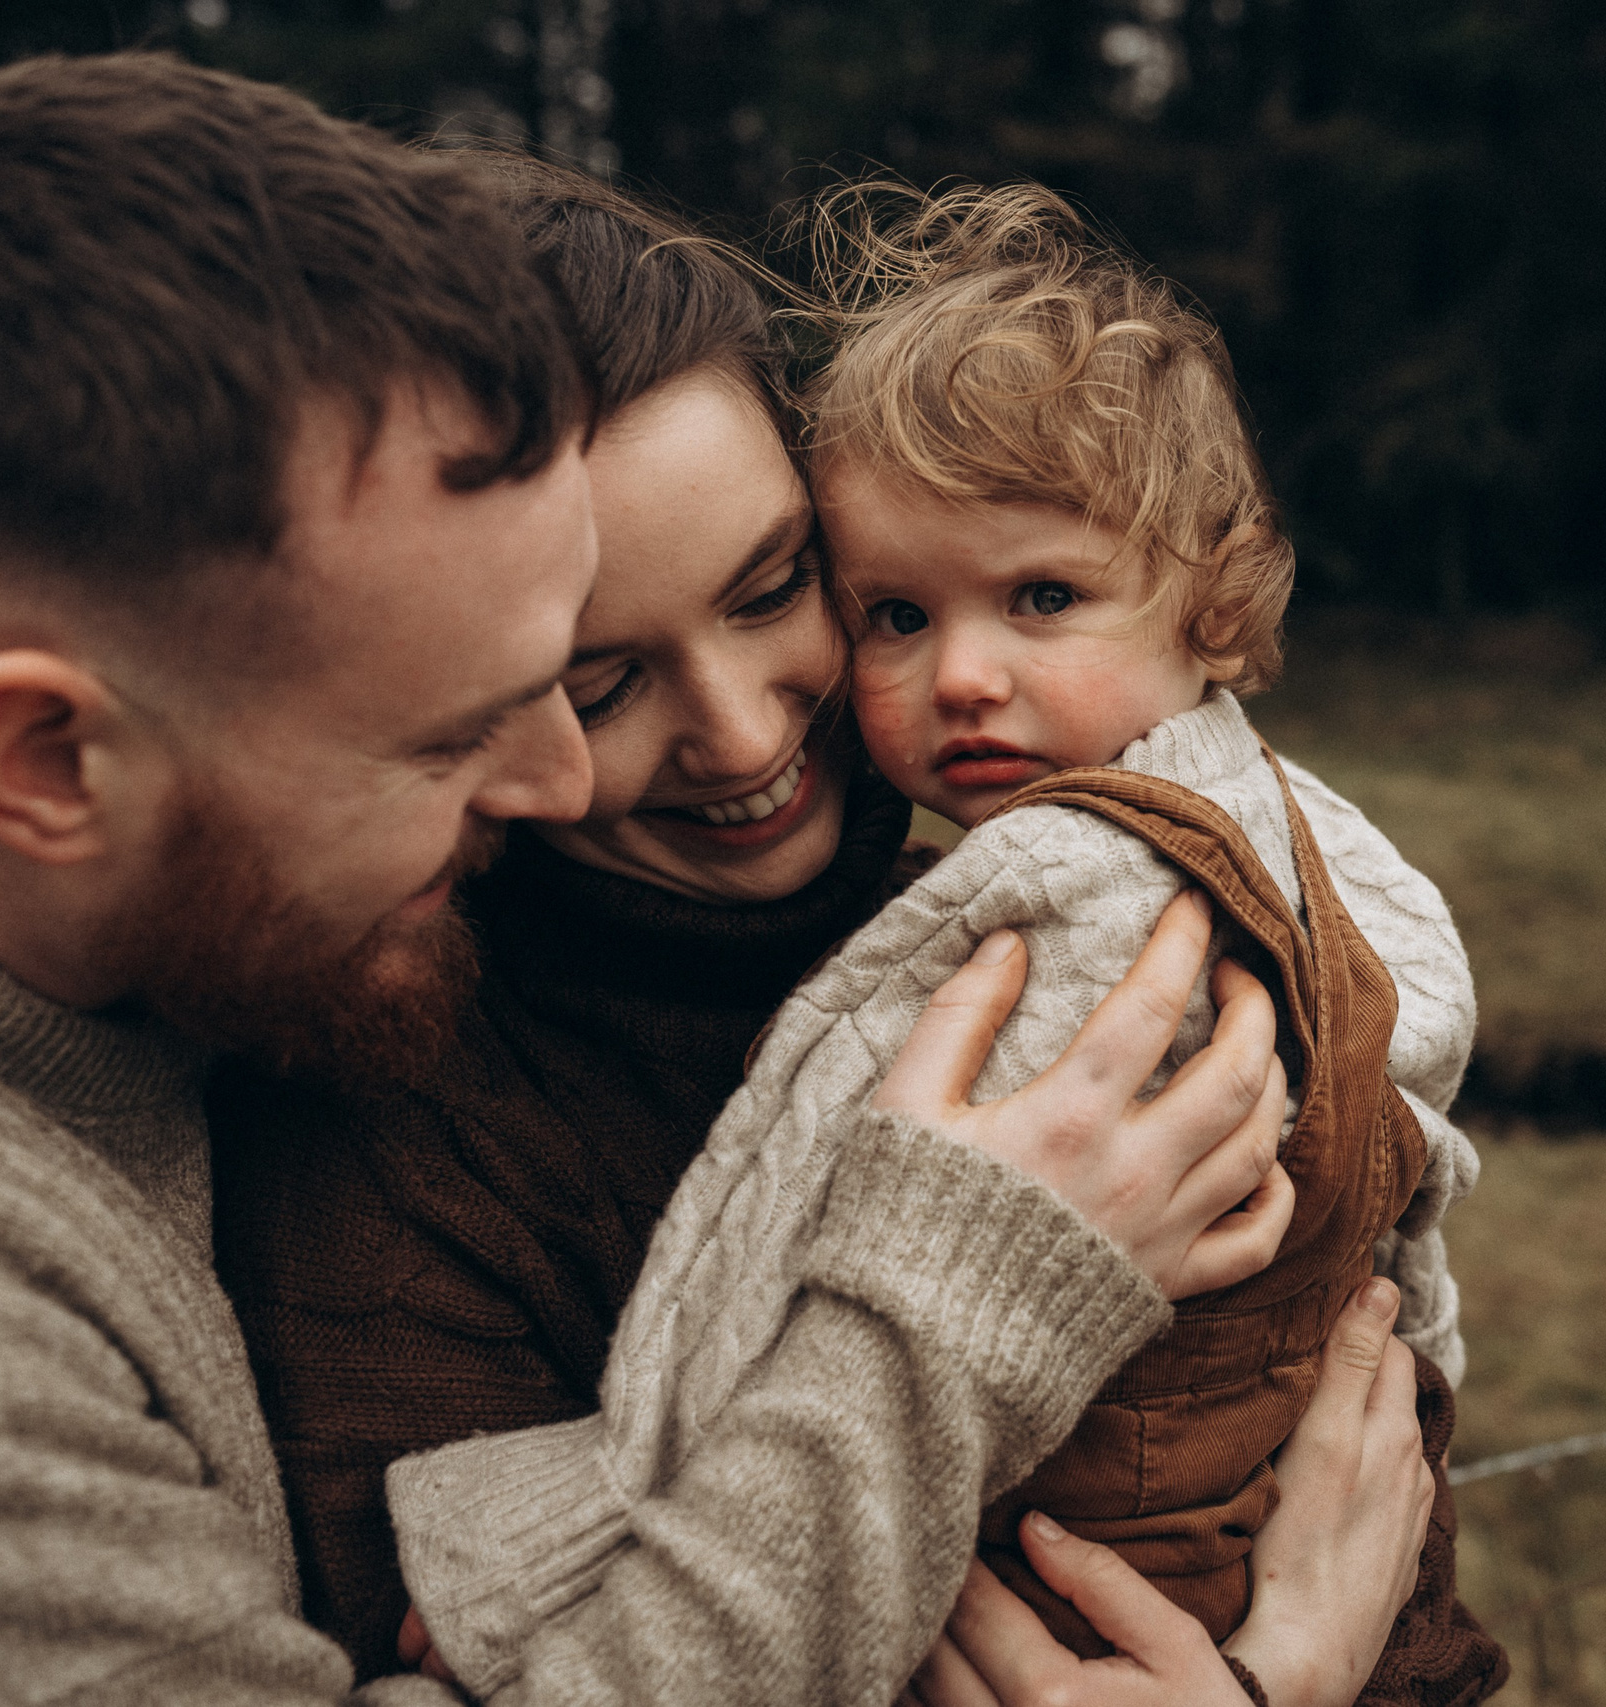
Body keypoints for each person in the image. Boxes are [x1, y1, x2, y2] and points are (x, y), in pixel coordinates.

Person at [0, 54, 1366, 1705]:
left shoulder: (203, 982)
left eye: (779, 585)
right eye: (455, 730)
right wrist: (960, 1334)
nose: (538, 788)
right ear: (44, 764)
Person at [634, 180, 1509, 1705]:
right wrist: (1415, 1382)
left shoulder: (1063, 882)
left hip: (1053, 1560)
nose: (963, 674)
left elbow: (771, 1200)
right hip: (1233, 1537)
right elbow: (1412, 1137)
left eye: (1043, 596)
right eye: (895, 615)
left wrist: (604, 1506)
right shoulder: (1314, 837)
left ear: (1213, 595)